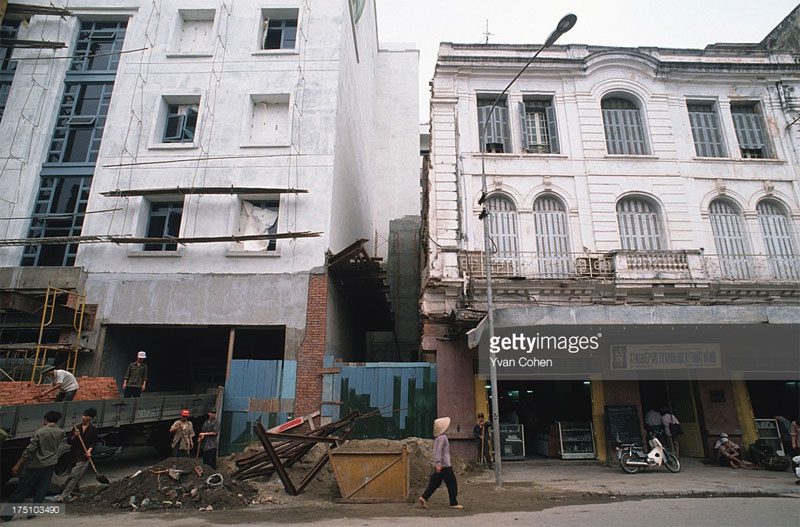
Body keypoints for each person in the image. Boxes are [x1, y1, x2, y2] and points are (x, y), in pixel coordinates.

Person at [1, 411, 64, 521]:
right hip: (51, 463)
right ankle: (32, 512)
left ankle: (7, 514)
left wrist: (17, 465)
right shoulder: (61, 432)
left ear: (46, 419)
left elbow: (29, 450)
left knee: (23, 489)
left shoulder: (40, 432)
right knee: (41, 488)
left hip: (36, 464)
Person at [52, 408, 98, 502]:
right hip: (74, 454)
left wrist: (89, 451)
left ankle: (64, 495)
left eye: (86, 416)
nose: (84, 417)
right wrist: (74, 436)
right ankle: (76, 493)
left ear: (91, 418)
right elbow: (69, 441)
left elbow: (93, 442)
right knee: (74, 474)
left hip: (84, 456)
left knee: (74, 474)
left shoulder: (93, 429)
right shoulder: (77, 428)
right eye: (84, 415)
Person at [419, 417, 463, 510]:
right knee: (452, 484)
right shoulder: (443, 438)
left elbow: (436, 451)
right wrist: (438, 463)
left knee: (434, 483)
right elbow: (439, 451)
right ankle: (453, 503)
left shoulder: (438, 438)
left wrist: (437, 463)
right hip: (445, 465)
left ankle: (424, 497)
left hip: (440, 465)